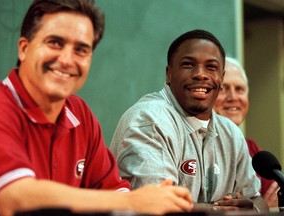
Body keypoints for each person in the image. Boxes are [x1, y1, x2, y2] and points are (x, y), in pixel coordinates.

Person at [0, 1, 194, 215]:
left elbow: (114, 191)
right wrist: (134, 201)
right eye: (54, 43)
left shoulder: (79, 113)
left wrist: (152, 201)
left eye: (81, 50)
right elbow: (14, 198)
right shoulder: (0, 105)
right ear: (24, 49)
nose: (66, 60)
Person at [110, 29, 268, 212]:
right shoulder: (150, 120)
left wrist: (253, 207)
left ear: (221, 78)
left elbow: (258, 200)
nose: (201, 74)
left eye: (211, 67)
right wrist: (222, 212)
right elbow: (158, 207)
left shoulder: (231, 133)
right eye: (188, 65)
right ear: (169, 74)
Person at [213, 57, 279, 208]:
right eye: (223, 88)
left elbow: (274, 195)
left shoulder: (253, 149)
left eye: (239, 89)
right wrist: (262, 208)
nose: (233, 97)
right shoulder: (198, 146)